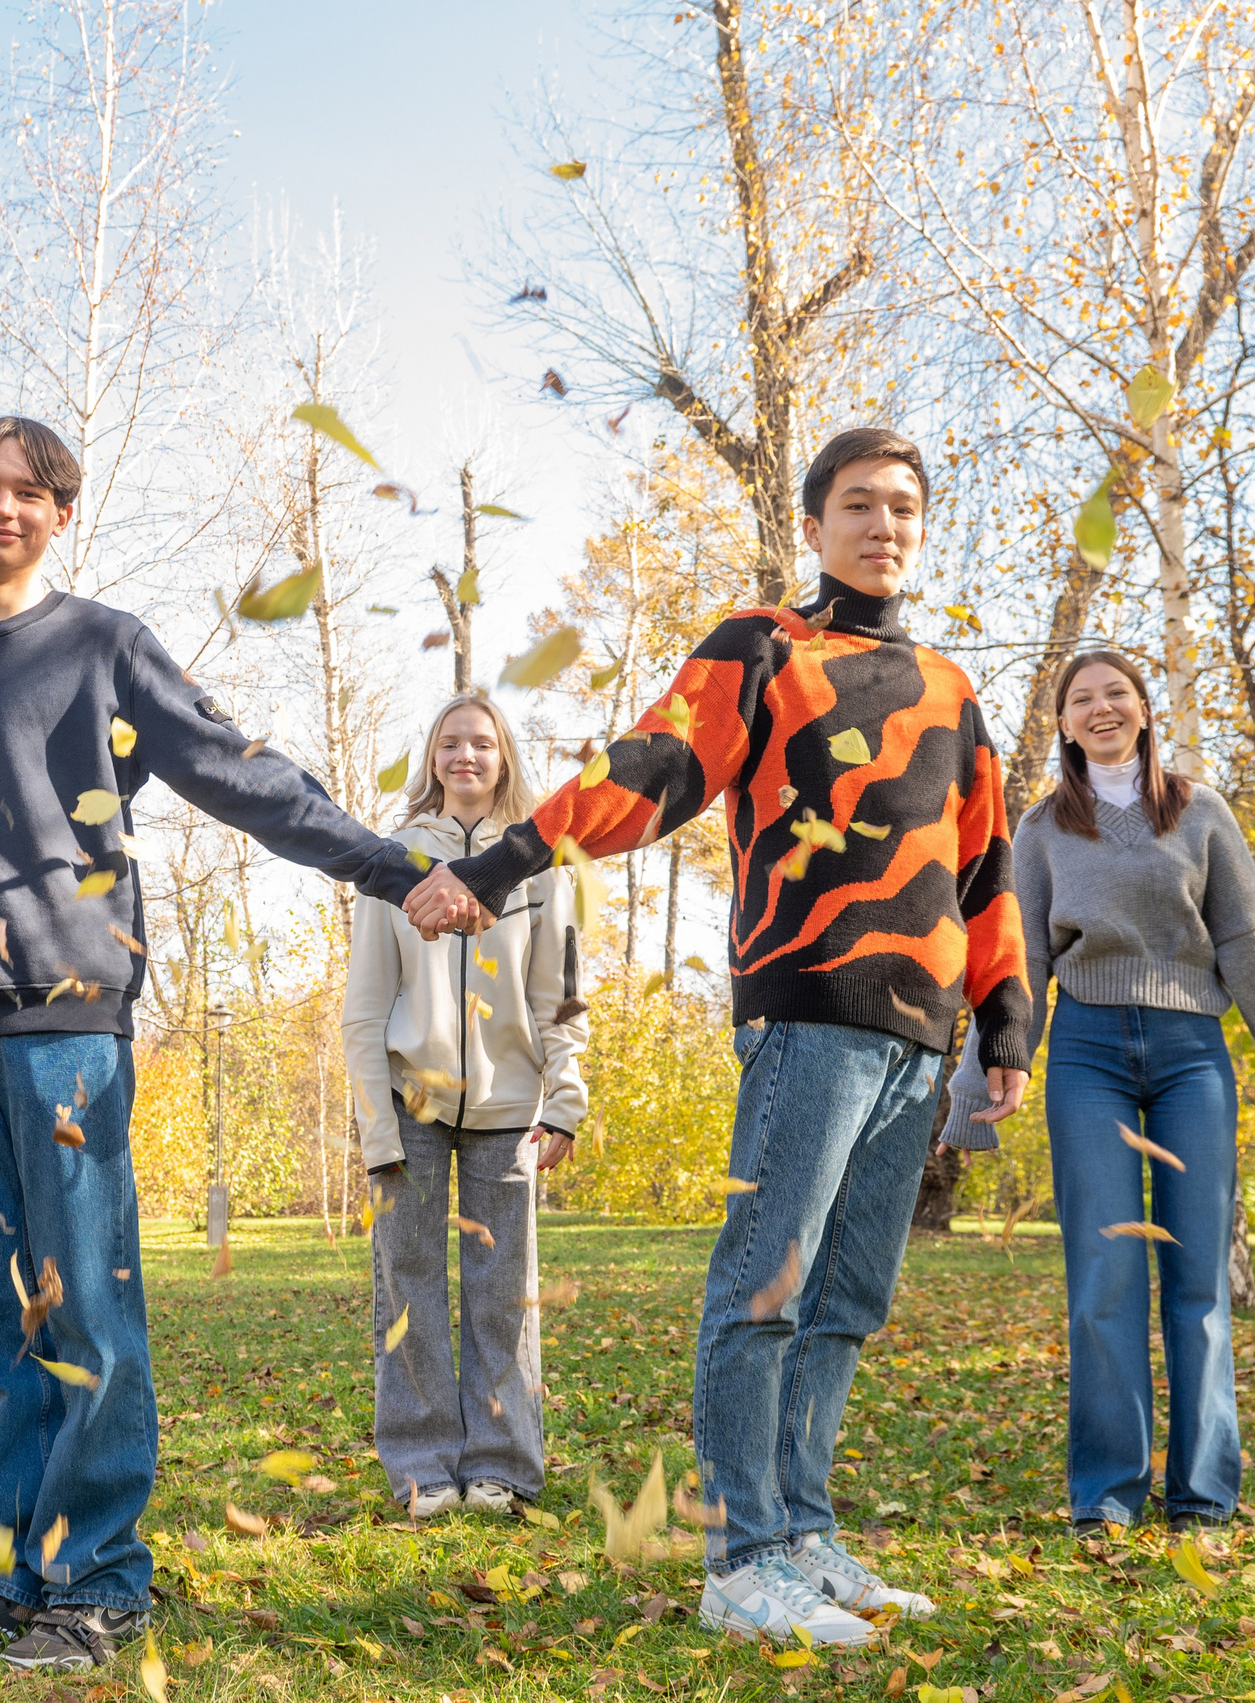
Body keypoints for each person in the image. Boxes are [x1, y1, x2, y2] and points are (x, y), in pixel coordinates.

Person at [406, 426, 1031, 1646]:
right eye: (858, 504)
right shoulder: (764, 648)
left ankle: (800, 1529)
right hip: (808, 1012)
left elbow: (986, 862)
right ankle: (740, 1558)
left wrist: (1003, 1022)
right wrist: (500, 859)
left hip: (920, 1036)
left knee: (846, 1296)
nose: (883, 525)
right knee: (767, 1286)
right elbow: (650, 768)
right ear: (813, 525)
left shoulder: (953, 689)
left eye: (903, 506)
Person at [0, 415, 433, 1673]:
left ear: (63, 515)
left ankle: (97, 1577)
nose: (4, 506)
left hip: (66, 1029)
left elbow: (238, 773)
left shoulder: (104, 648)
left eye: (30, 492)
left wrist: (387, 864)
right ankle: (13, 1576)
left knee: (86, 1312)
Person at [941, 650, 1255, 1537]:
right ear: (1061, 722)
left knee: (1197, 1277)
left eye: (1115, 694)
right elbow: (1025, 962)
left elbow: (1249, 941)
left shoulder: (1201, 811)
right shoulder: (1044, 826)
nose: (1100, 709)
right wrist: (976, 1079)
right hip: (1087, 1051)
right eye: (1081, 699)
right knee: (1105, 1275)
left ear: (1142, 708)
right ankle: (1107, 1497)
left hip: (1190, 1053)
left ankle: (1202, 1497)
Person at [343, 692, 587, 1523]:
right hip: (412, 1102)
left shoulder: (540, 863)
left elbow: (560, 997)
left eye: (481, 743)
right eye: (451, 742)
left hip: (510, 1109)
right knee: (406, 1286)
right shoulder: (395, 859)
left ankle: (501, 1465)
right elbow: (365, 1006)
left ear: (504, 756)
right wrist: (377, 1125)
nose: (466, 756)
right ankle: (422, 1467)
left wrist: (564, 1096)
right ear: (433, 756)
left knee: (503, 1289)